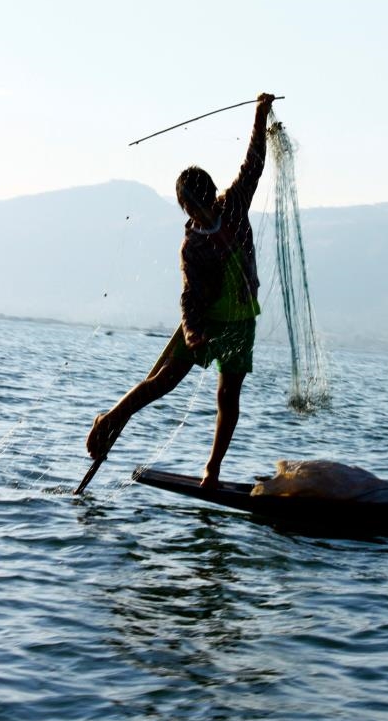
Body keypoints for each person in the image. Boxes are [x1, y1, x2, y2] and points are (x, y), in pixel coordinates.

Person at [86, 92, 275, 487]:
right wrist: (192, 333)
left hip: (240, 320)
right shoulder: (192, 246)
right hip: (204, 321)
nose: (201, 210)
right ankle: (110, 419)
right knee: (164, 382)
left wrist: (260, 114)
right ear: (185, 209)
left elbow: (254, 163)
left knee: (229, 395)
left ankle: (212, 470)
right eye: (192, 207)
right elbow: (189, 297)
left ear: (211, 193)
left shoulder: (235, 202)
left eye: (203, 202)